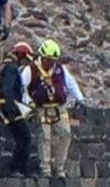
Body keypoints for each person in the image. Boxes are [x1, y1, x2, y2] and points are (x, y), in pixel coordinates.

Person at [21, 39, 85, 178]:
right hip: (41, 108)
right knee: (45, 138)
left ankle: (60, 167)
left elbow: (71, 83)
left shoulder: (60, 70)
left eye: (53, 60)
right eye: (49, 59)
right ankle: (45, 169)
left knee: (65, 134)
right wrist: (28, 103)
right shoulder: (30, 70)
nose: (51, 62)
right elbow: (21, 87)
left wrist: (80, 98)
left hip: (59, 108)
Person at [0, 42, 35, 176]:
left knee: (22, 137)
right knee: (25, 136)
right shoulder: (11, 68)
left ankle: (20, 168)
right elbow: (7, 89)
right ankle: (17, 168)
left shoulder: (6, 65)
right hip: (8, 106)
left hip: (5, 104)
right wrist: (12, 106)